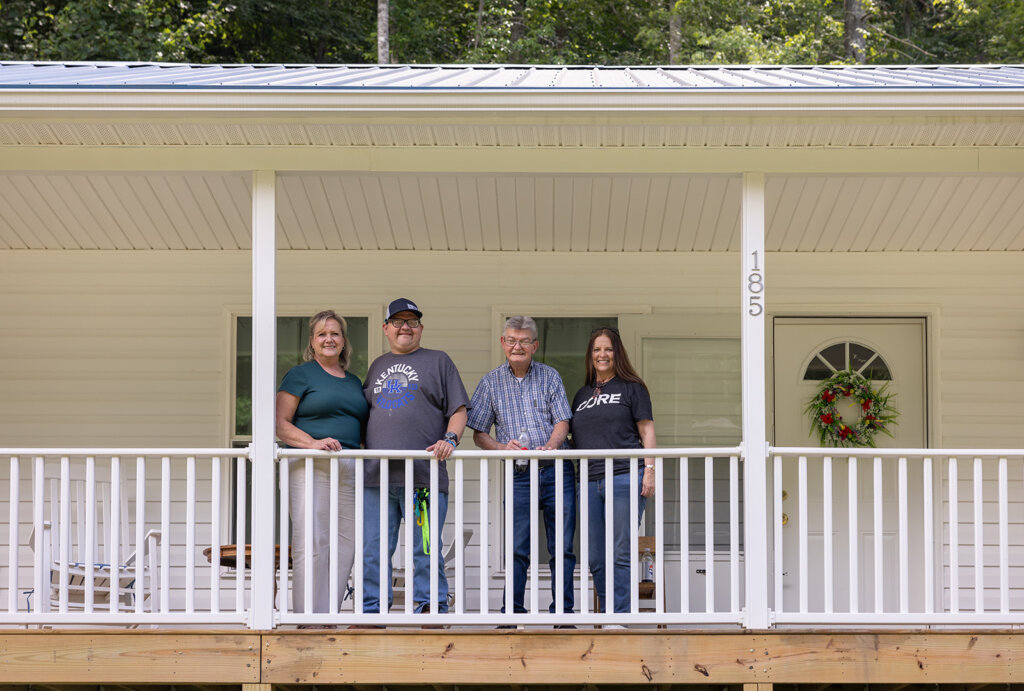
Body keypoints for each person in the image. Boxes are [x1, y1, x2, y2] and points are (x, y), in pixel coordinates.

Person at [362, 298, 469, 616]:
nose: (404, 327)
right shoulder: (377, 366)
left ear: (420, 328)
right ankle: (371, 610)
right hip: (377, 479)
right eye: (397, 321)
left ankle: (430, 606)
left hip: (422, 478)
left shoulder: (439, 361)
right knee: (373, 548)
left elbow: (459, 410)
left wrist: (450, 439)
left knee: (424, 546)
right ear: (385, 329)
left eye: (411, 321)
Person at [467, 316, 576, 619]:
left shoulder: (550, 376)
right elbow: (478, 432)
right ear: (503, 344)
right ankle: (512, 615)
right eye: (512, 340)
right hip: (519, 474)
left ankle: (563, 616)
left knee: (563, 548)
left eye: (524, 341)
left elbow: (562, 421)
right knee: (517, 548)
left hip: (556, 469)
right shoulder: (491, 382)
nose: (518, 346)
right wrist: (502, 448)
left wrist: (552, 446)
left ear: (534, 346)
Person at [275, 310, 369, 618]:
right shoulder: (301, 374)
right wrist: (313, 444)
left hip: (351, 465)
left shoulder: (355, 382)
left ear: (344, 341)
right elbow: (279, 424)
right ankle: (308, 618)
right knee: (312, 539)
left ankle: (329, 615)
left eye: (335, 333)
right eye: (321, 334)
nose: (329, 339)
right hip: (310, 464)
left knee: (346, 543)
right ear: (312, 342)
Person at [570, 326, 656, 615]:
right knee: (596, 557)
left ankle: (619, 616)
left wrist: (650, 470)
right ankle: (609, 611)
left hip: (624, 475)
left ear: (616, 353)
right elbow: (576, 440)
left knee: (621, 551)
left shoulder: (632, 387)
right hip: (589, 480)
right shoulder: (581, 395)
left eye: (607, 349)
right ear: (590, 355)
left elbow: (647, 431)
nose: (602, 354)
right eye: (597, 349)